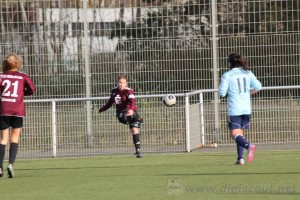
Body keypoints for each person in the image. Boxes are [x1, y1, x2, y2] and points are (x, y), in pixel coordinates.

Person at [219, 53, 262, 165]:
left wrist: (230, 92)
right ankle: (240, 158)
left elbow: (222, 93)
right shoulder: (248, 73)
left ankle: (249, 146)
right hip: (246, 108)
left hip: (234, 108)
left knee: (234, 134)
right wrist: (248, 93)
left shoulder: (227, 75)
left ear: (230, 63)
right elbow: (258, 87)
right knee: (240, 133)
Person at [0, 53, 35, 178]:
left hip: (4, 110)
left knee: (3, 139)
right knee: (14, 139)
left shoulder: (1, 76)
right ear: (18, 64)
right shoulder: (23, 77)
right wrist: (22, 93)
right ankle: (11, 165)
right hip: (18, 111)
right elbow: (31, 89)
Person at [99, 75, 143, 158]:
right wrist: (102, 109)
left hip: (132, 111)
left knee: (134, 129)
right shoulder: (114, 91)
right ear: (117, 83)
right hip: (121, 113)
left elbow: (133, 102)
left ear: (126, 83)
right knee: (127, 116)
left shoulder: (129, 91)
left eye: (123, 83)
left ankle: (138, 151)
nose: (121, 84)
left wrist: (131, 109)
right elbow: (109, 103)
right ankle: (136, 119)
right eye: (120, 82)